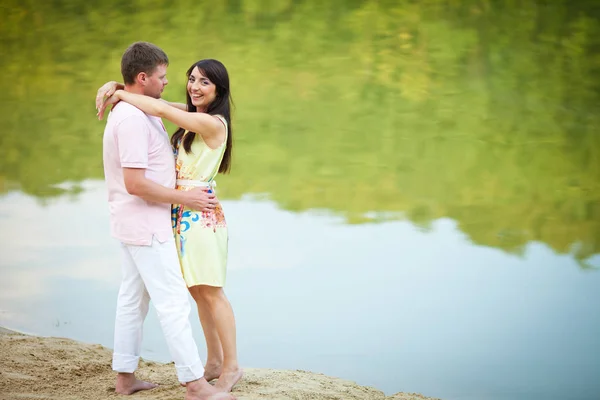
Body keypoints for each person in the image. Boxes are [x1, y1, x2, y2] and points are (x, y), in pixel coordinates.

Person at [97, 58, 243, 393]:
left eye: (205, 82)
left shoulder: (214, 123)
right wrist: (119, 88)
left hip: (200, 216)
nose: (194, 86)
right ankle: (214, 361)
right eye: (191, 79)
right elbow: (157, 103)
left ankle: (233, 366)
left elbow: (159, 110)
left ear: (219, 89)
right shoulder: (196, 115)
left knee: (212, 291)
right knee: (196, 290)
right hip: (179, 214)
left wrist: (119, 92)